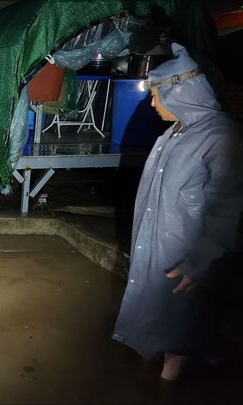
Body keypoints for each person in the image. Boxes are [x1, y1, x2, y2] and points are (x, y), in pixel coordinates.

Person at [112, 43, 243, 381]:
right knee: (164, 313)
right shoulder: (174, 133)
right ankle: (164, 362)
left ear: (181, 93)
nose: (153, 104)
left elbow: (228, 206)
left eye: (157, 96)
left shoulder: (221, 136)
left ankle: (178, 377)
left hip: (190, 252)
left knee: (186, 319)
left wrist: (204, 261)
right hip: (161, 243)